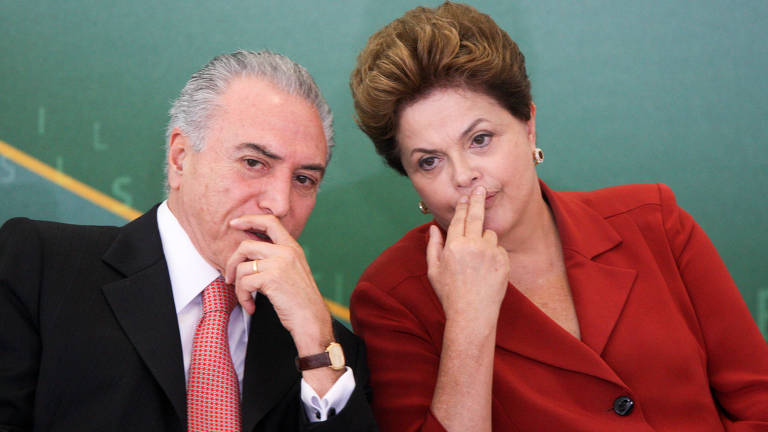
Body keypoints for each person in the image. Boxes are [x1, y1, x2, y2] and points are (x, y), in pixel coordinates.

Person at [348, 2, 768, 431]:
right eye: (430, 161)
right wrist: (469, 324)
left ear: (529, 126)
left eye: (480, 139)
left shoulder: (655, 221)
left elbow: (760, 403)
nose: (463, 175)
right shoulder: (392, 299)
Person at [0, 50, 376, 431]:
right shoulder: (41, 267)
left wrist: (316, 347)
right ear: (180, 158)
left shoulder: (330, 350)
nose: (279, 204)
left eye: (304, 180)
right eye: (253, 163)